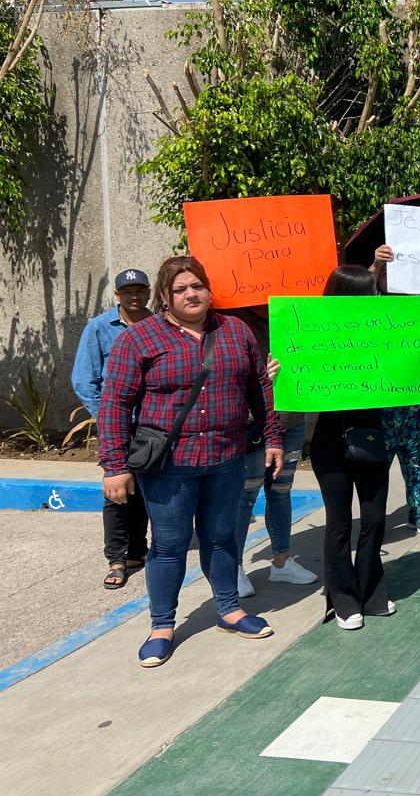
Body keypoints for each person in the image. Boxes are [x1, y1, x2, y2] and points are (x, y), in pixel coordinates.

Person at [98, 256, 283, 668]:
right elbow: (114, 403)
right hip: (169, 467)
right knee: (168, 546)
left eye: (197, 285)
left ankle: (229, 609)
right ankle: (162, 626)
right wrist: (114, 465)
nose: (191, 294)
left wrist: (272, 438)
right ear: (165, 296)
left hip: (226, 458)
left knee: (221, 537)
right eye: (180, 289)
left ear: (208, 288)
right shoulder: (140, 339)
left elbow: (260, 391)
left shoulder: (235, 332)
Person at [295, 264, 420, 629]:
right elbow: (298, 380)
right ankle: (342, 599)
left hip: (374, 434)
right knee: (338, 522)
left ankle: (372, 592)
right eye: (368, 293)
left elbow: (405, 373)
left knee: (374, 519)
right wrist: (279, 374)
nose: (375, 298)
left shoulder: (384, 330)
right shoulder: (317, 332)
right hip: (331, 438)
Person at [223, 305, 317, 598]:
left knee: (280, 491)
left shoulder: (296, 314)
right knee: (245, 496)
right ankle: (234, 567)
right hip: (252, 426)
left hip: (291, 420)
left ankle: (280, 561)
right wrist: (260, 377)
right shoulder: (232, 323)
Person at [71, 268, 153, 590]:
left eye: (140, 290)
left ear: (149, 292)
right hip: (117, 422)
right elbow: (83, 379)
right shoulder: (99, 328)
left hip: (153, 426)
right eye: (127, 291)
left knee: (146, 490)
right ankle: (116, 559)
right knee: (117, 492)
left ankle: (137, 552)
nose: (134, 296)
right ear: (117, 295)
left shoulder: (159, 325)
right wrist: (108, 414)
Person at [372, 244, 420, 536]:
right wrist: (376, 264)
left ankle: (417, 511)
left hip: (411, 400)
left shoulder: (419, 307)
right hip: (381, 401)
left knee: (413, 459)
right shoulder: (369, 307)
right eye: (388, 274)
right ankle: (375, 516)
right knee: (378, 463)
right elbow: (353, 294)